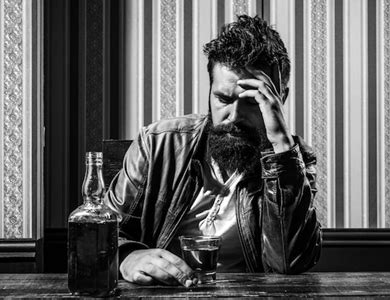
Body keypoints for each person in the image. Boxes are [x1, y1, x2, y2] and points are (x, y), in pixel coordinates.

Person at [105, 15, 321, 287]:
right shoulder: (159, 143)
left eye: (252, 102)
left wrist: (280, 146)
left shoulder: (293, 160)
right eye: (223, 99)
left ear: (280, 99)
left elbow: (290, 263)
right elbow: (101, 235)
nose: (233, 116)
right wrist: (127, 256)